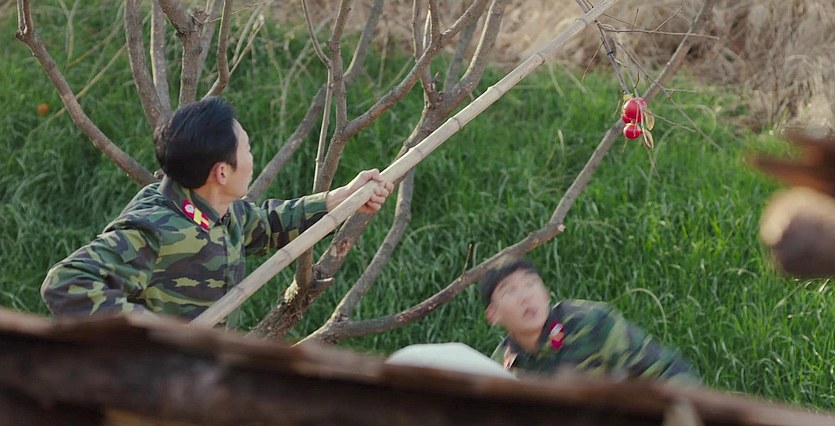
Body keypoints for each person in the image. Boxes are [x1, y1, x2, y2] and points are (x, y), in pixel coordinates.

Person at [41, 96, 394, 321]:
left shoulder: (219, 210)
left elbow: (267, 224)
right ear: (222, 172)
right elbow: (66, 282)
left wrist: (343, 198)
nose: (252, 160)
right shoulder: (153, 228)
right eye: (247, 150)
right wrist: (153, 334)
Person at [482, 258, 701, 386]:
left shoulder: (591, 324)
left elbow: (666, 370)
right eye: (509, 291)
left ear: (546, 293)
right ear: (493, 315)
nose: (526, 296)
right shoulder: (501, 365)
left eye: (530, 284)